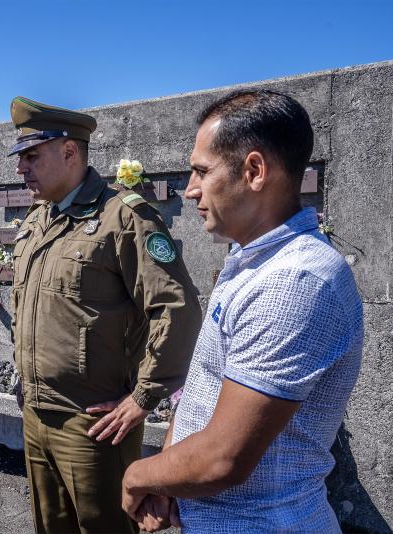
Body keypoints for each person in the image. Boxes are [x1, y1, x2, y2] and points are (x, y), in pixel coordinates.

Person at [121, 90, 364, 533]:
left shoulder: (292, 282)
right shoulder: (253, 260)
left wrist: (139, 474)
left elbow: (222, 459)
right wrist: (170, 474)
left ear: (254, 171)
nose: (190, 189)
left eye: (201, 171)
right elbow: (204, 387)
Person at [7, 96, 202, 533]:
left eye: (31, 156)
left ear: (70, 152)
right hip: (37, 415)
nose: (21, 168)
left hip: (94, 423)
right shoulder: (39, 220)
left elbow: (176, 308)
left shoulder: (123, 217)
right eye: (21, 158)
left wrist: (143, 398)